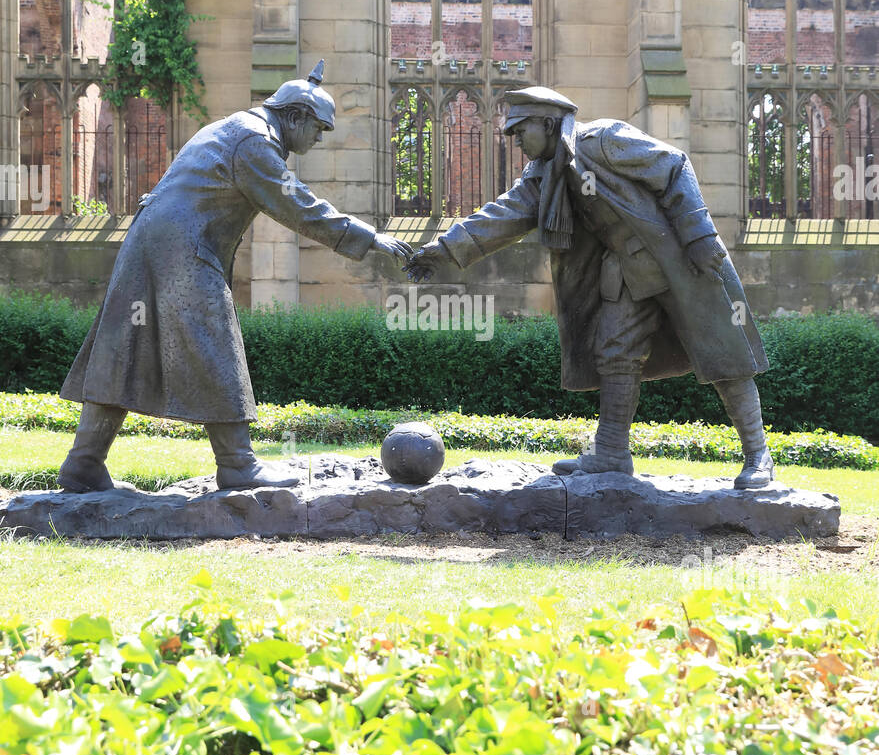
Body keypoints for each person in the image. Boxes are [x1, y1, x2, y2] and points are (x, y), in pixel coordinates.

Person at [58, 61, 412, 492]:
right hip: (183, 250)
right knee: (214, 343)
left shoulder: (236, 126)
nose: (319, 139)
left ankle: (83, 464)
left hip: (150, 244)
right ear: (295, 116)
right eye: (318, 129)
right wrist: (369, 237)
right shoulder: (255, 142)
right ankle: (238, 465)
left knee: (124, 348)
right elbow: (297, 205)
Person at [407, 85, 774, 489]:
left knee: (722, 352)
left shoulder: (602, 140)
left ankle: (759, 456)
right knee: (615, 353)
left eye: (520, 131)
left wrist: (700, 235)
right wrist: (440, 250)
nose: (515, 141)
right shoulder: (544, 174)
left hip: (679, 261)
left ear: (547, 123)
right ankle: (612, 454)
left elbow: (673, 165)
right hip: (625, 273)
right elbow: (501, 216)